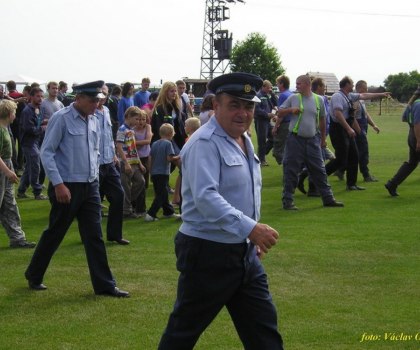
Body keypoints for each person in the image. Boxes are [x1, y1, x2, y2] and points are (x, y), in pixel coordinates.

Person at [158, 72, 283, 350]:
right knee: (182, 333)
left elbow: (243, 191)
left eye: (249, 106)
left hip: (242, 252)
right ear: (216, 106)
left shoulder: (242, 137)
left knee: (264, 333)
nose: (243, 113)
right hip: (208, 254)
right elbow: (206, 197)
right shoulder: (205, 142)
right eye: (234, 105)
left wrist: (249, 235)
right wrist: (250, 228)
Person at [24, 81, 129, 297]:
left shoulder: (93, 120)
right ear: (78, 98)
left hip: (90, 185)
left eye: (99, 101)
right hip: (67, 185)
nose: (96, 105)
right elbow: (47, 152)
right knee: (55, 232)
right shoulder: (61, 119)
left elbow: (94, 152)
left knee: (95, 236)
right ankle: (34, 274)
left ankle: (105, 285)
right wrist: (58, 183)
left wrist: (96, 180)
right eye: (92, 100)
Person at [279, 75, 343, 210]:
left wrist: (323, 139)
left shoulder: (318, 99)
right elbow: (279, 113)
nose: (296, 86)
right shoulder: (294, 98)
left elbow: (322, 120)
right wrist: (291, 110)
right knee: (291, 170)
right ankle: (288, 201)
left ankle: (328, 199)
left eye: (298, 84)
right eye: (296, 84)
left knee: (319, 170)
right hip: (295, 139)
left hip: (313, 139)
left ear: (307, 84)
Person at [324, 76, 390, 191]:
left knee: (354, 156)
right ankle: (317, 178)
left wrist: (381, 94)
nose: (353, 85)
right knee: (340, 159)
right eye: (351, 83)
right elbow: (338, 114)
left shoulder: (349, 96)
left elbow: (364, 96)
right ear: (346, 84)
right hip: (339, 130)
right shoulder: (337, 96)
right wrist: (349, 129)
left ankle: (351, 184)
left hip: (346, 129)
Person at [0, 100, 36, 248]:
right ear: (9, 114)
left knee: (10, 205)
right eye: (14, 112)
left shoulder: (5, 128)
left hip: (6, 169)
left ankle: (17, 239)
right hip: (3, 170)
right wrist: (8, 171)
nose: (15, 115)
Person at [96, 87, 129, 244]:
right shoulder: (88, 113)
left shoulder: (107, 111)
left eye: (105, 93)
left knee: (118, 195)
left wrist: (114, 154)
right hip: (94, 164)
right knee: (94, 201)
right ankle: (92, 235)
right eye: (100, 93)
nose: (102, 97)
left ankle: (115, 234)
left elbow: (108, 135)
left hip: (109, 161)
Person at [385, 86, 420, 196]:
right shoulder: (419, 104)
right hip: (417, 135)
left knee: (412, 163)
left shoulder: (412, 103)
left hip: (411, 134)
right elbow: (418, 124)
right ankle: (392, 184)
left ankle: (392, 184)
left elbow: (404, 118)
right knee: (412, 163)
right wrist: (419, 140)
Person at [144, 123, 180, 222]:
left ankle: (168, 211)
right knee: (161, 194)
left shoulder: (155, 143)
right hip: (163, 172)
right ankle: (151, 213)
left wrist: (150, 171)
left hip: (154, 172)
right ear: (171, 134)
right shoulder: (168, 144)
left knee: (162, 192)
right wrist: (180, 156)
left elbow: (150, 158)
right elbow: (169, 158)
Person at [17, 87, 48, 200]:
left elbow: (37, 123)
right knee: (35, 167)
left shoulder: (39, 108)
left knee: (29, 168)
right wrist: (44, 128)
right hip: (28, 143)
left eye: (42, 96)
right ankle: (37, 192)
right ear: (31, 97)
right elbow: (30, 129)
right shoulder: (27, 111)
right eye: (38, 96)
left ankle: (21, 191)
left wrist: (46, 121)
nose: (40, 98)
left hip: (35, 141)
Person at [116, 106, 146, 218]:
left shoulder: (131, 130)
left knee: (141, 181)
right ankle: (126, 210)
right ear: (129, 117)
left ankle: (126, 204)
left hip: (134, 162)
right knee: (126, 186)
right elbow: (118, 146)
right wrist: (125, 162)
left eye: (139, 119)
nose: (138, 122)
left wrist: (140, 163)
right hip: (126, 162)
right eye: (136, 119)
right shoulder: (122, 129)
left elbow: (133, 148)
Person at [354, 80, 380, 182]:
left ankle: (341, 170)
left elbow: (365, 114)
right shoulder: (355, 100)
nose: (367, 90)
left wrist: (373, 125)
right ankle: (366, 175)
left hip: (363, 128)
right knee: (363, 152)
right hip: (359, 129)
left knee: (354, 152)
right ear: (360, 88)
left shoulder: (361, 100)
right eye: (366, 88)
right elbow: (353, 116)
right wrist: (359, 131)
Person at [39, 81, 65, 185]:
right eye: (53, 88)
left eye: (56, 88)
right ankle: (40, 183)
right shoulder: (43, 103)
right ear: (48, 89)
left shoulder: (60, 104)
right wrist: (49, 121)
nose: (55, 90)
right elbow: (39, 120)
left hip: (59, 135)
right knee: (44, 157)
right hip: (45, 135)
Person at [151, 81, 187, 154]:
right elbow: (158, 127)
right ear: (165, 92)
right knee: (179, 161)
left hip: (177, 139)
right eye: (172, 91)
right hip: (166, 141)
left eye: (175, 91)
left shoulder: (176, 107)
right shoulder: (159, 108)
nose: (174, 93)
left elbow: (180, 125)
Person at [134, 109, 152, 215]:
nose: (141, 122)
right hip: (136, 158)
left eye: (143, 119)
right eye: (138, 119)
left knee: (144, 184)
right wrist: (139, 143)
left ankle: (140, 207)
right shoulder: (132, 129)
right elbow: (130, 144)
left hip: (146, 157)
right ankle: (138, 207)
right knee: (139, 183)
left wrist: (136, 143)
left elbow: (148, 140)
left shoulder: (147, 127)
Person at [254, 80, 277, 166]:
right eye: (268, 87)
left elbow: (275, 104)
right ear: (263, 87)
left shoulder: (268, 95)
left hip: (267, 121)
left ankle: (260, 156)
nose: (270, 89)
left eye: (271, 87)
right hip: (260, 121)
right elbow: (256, 110)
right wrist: (267, 114)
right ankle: (261, 160)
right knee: (262, 141)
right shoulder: (258, 96)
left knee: (273, 138)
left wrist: (273, 93)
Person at [272, 75, 293, 165]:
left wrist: (275, 127)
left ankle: (288, 167)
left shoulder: (283, 95)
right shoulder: (291, 94)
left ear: (282, 84)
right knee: (288, 148)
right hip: (292, 123)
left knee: (277, 151)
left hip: (285, 125)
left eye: (277, 83)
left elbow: (281, 114)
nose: (277, 85)